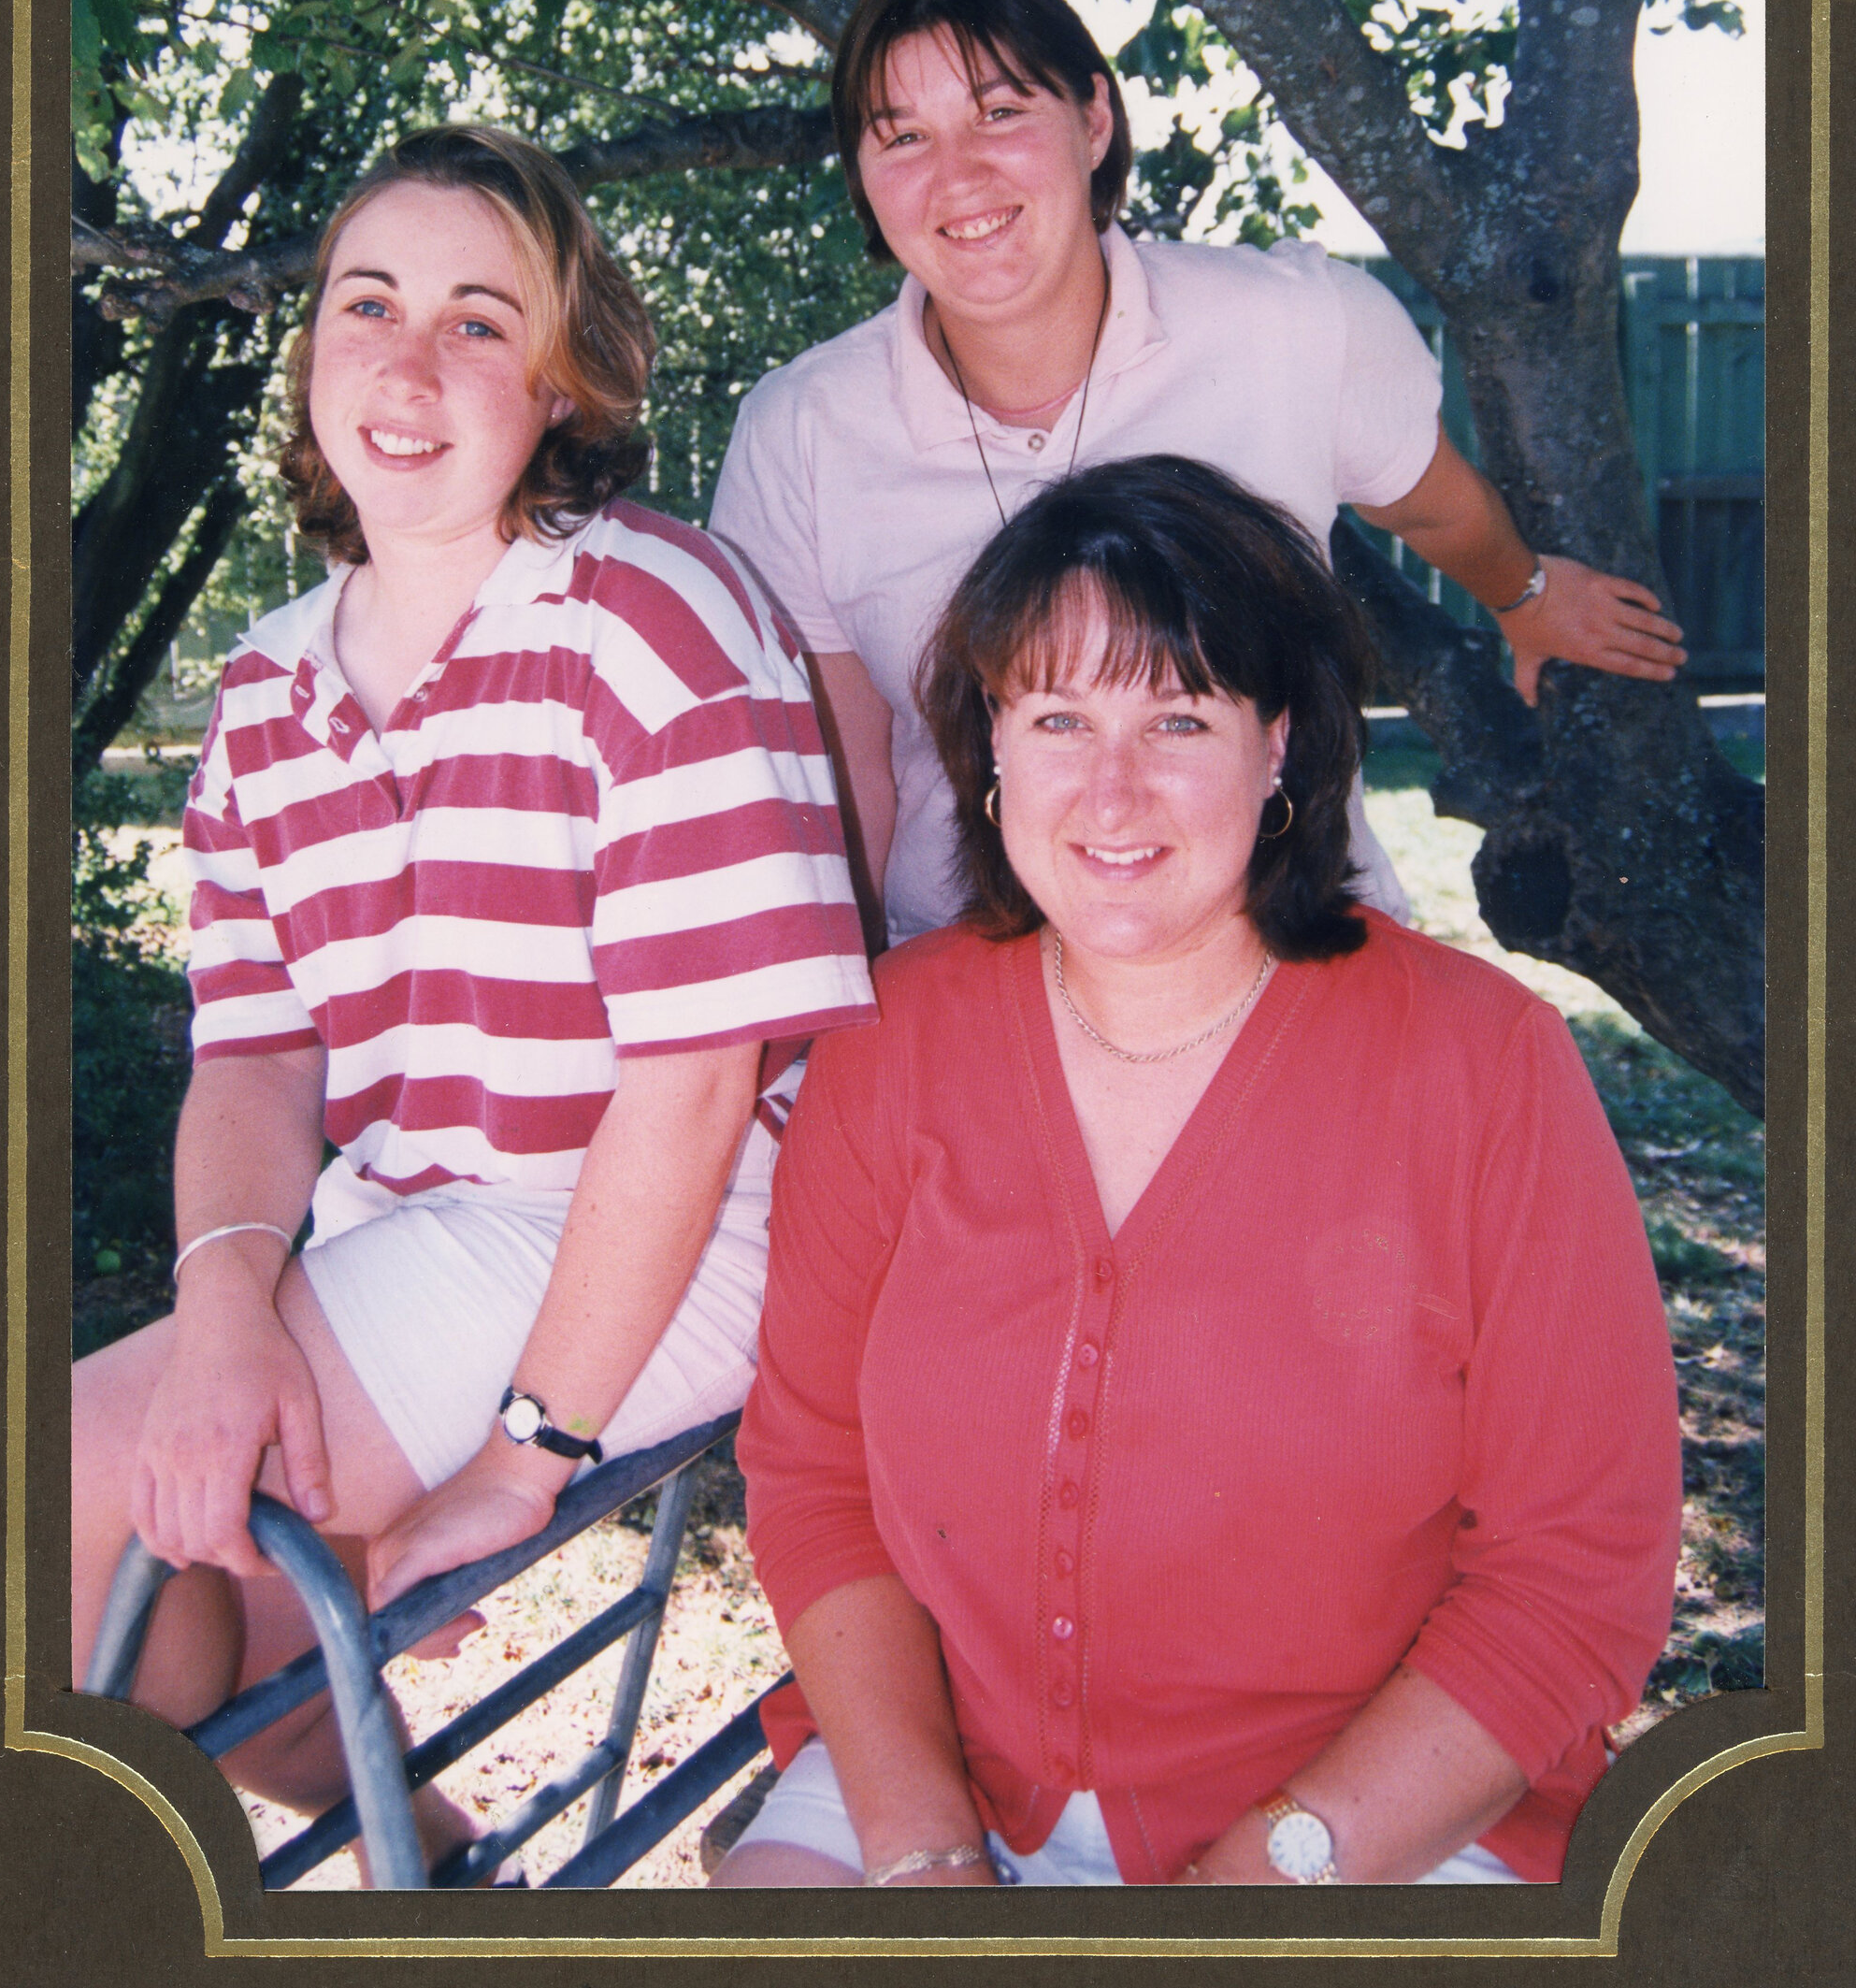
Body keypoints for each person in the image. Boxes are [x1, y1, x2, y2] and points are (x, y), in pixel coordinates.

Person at [71, 126, 874, 1879]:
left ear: (563, 383)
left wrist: (525, 1452)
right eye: (369, 304)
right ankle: (439, 1869)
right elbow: (255, 1057)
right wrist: (224, 1309)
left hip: (682, 1219)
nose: (410, 362)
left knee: (51, 1500)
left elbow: (695, 1081)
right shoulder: (267, 685)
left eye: (479, 322)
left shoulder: (650, 612)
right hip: (420, 1219)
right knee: (196, 1604)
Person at [716, 456, 1680, 1891]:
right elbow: (813, 1472)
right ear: (991, 744)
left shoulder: (1486, 1066)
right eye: (1058, 718)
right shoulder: (887, 1040)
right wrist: (926, 1860)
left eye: (1178, 717)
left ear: (1277, 742)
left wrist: (1251, 1892)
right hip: (947, 1773)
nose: (1111, 790)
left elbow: (1577, 1571)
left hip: (1372, 1826)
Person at [709, 0, 1687, 949]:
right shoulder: (801, 433)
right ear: (862, 177)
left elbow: (1431, 503)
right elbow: (844, 776)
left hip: (1283, 947)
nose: (957, 175)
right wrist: (861, 1003)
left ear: (1093, 120)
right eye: (903, 137)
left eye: (1000, 113)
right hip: (973, 966)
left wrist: (1526, 595)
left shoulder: (1296, 326)